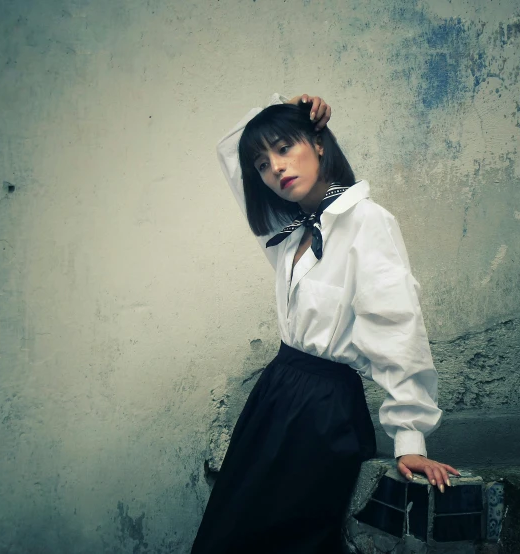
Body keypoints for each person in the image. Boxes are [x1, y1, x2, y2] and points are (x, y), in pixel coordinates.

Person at [191, 93, 459, 554]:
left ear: (319, 143)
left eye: (284, 147)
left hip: (322, 411)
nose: (274, 167)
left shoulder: (366, 222)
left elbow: (398, 326)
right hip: (275, 397)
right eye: (262, 163)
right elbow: (231, 158)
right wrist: (283, 105)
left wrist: (408, 437)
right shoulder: (288, 229)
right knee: (230, 533)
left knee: (290, 542)